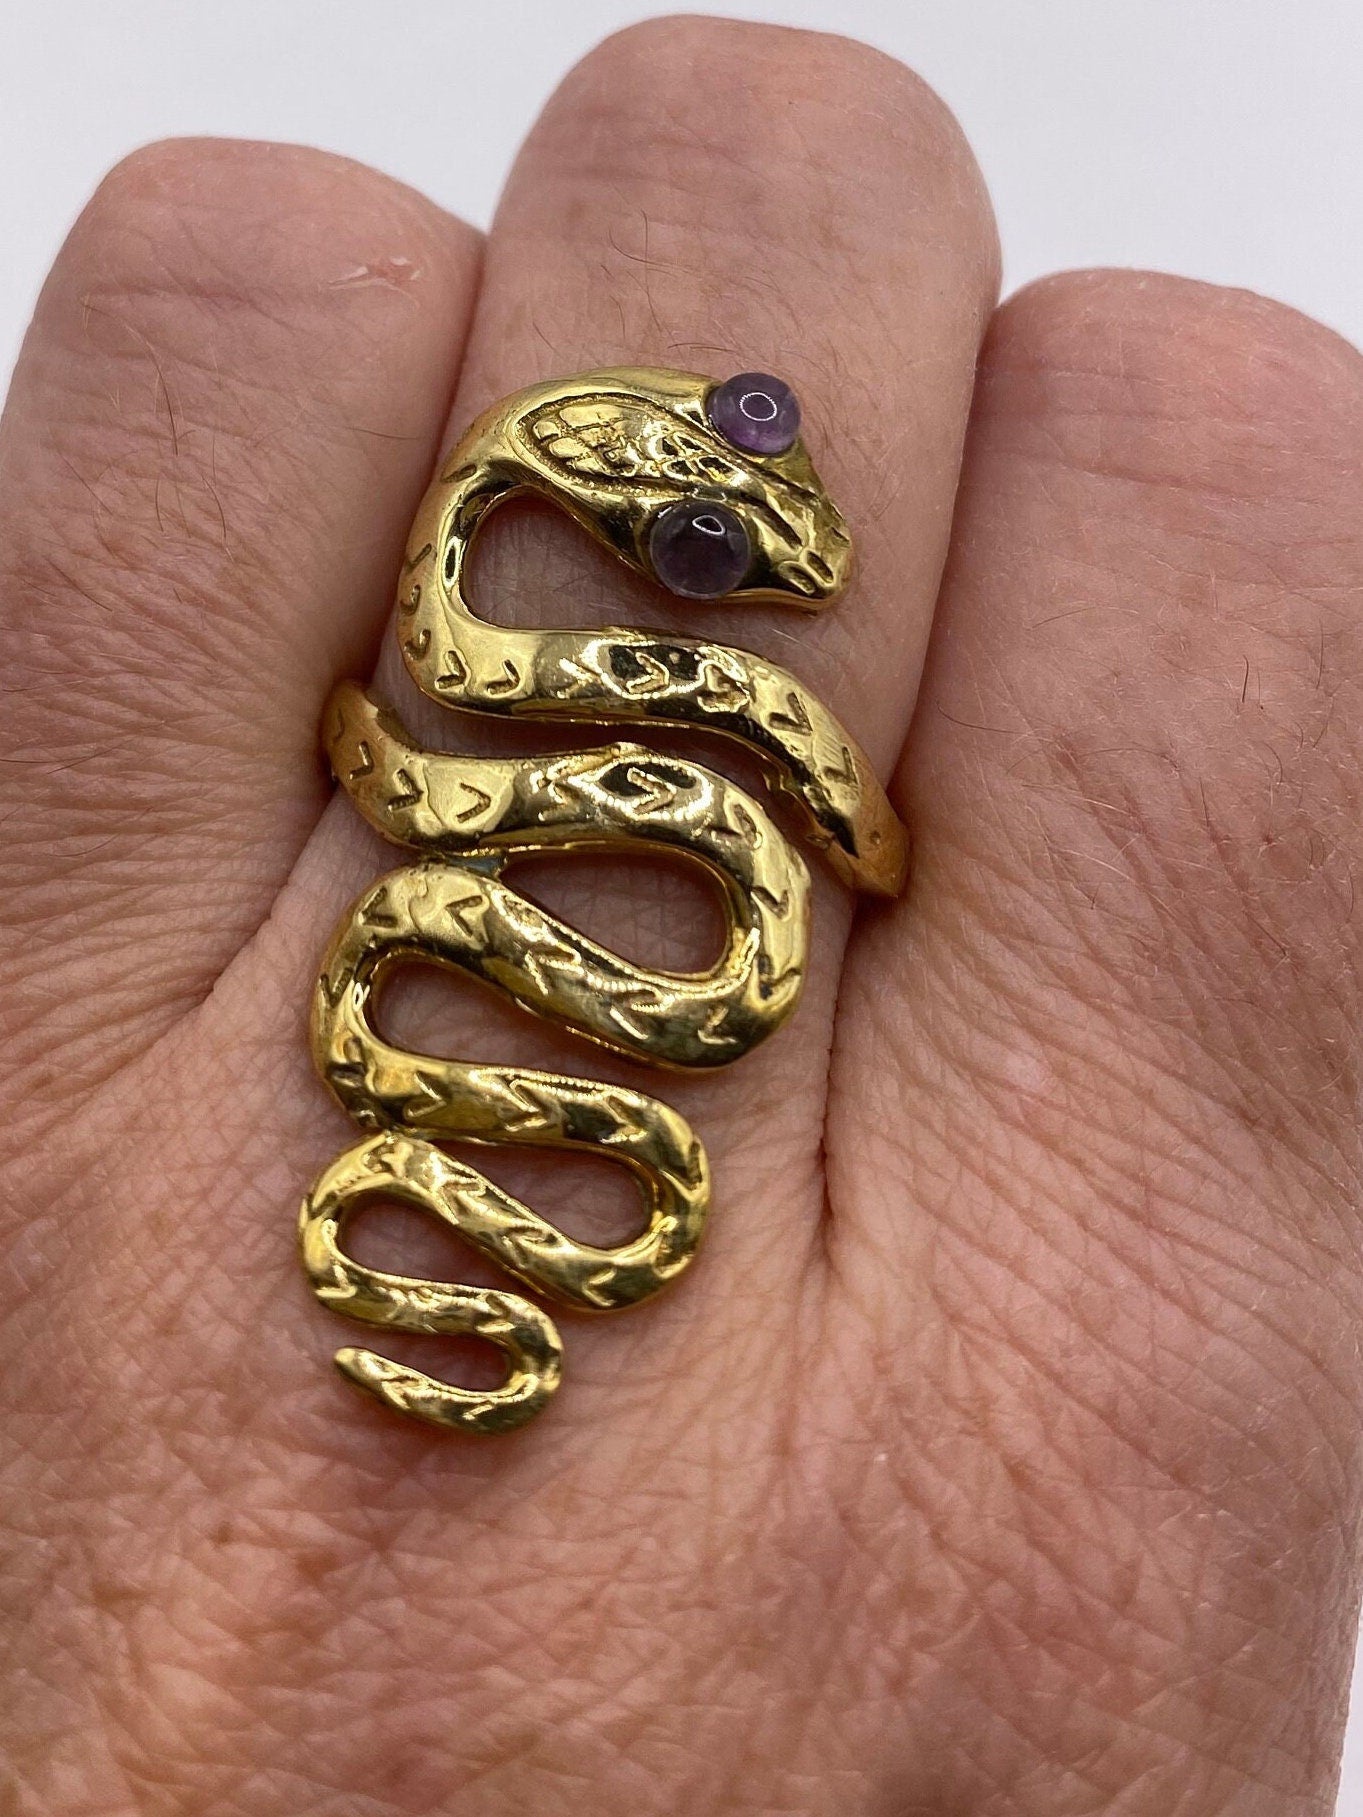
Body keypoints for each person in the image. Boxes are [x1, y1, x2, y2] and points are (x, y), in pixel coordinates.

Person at [2, 16, 1360, 1814]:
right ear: (585, 521)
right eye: (710, 562)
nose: (751, 584)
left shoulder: (709, 685)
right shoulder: (534, 643)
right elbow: (441, 778)